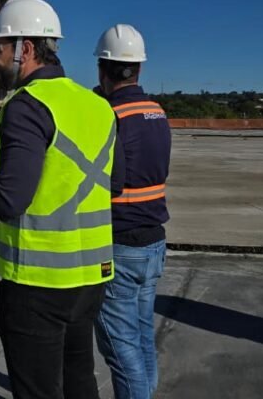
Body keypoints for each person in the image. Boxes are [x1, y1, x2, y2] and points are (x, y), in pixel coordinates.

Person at [0, 0, 124, 399]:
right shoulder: (99, 106)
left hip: (38, 284)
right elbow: (116, 183)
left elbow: (9, 201)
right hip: (91, 279)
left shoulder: (25, 107)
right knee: (79, 379)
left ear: (26, 48)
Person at [92, 24, 171, 399]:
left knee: (121, 351)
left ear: (102, 68)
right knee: (141, 338)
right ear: (138, 67)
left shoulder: (108, 116)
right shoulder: (157, 112)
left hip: (121, 243)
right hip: (153, 242)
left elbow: (108, 180)